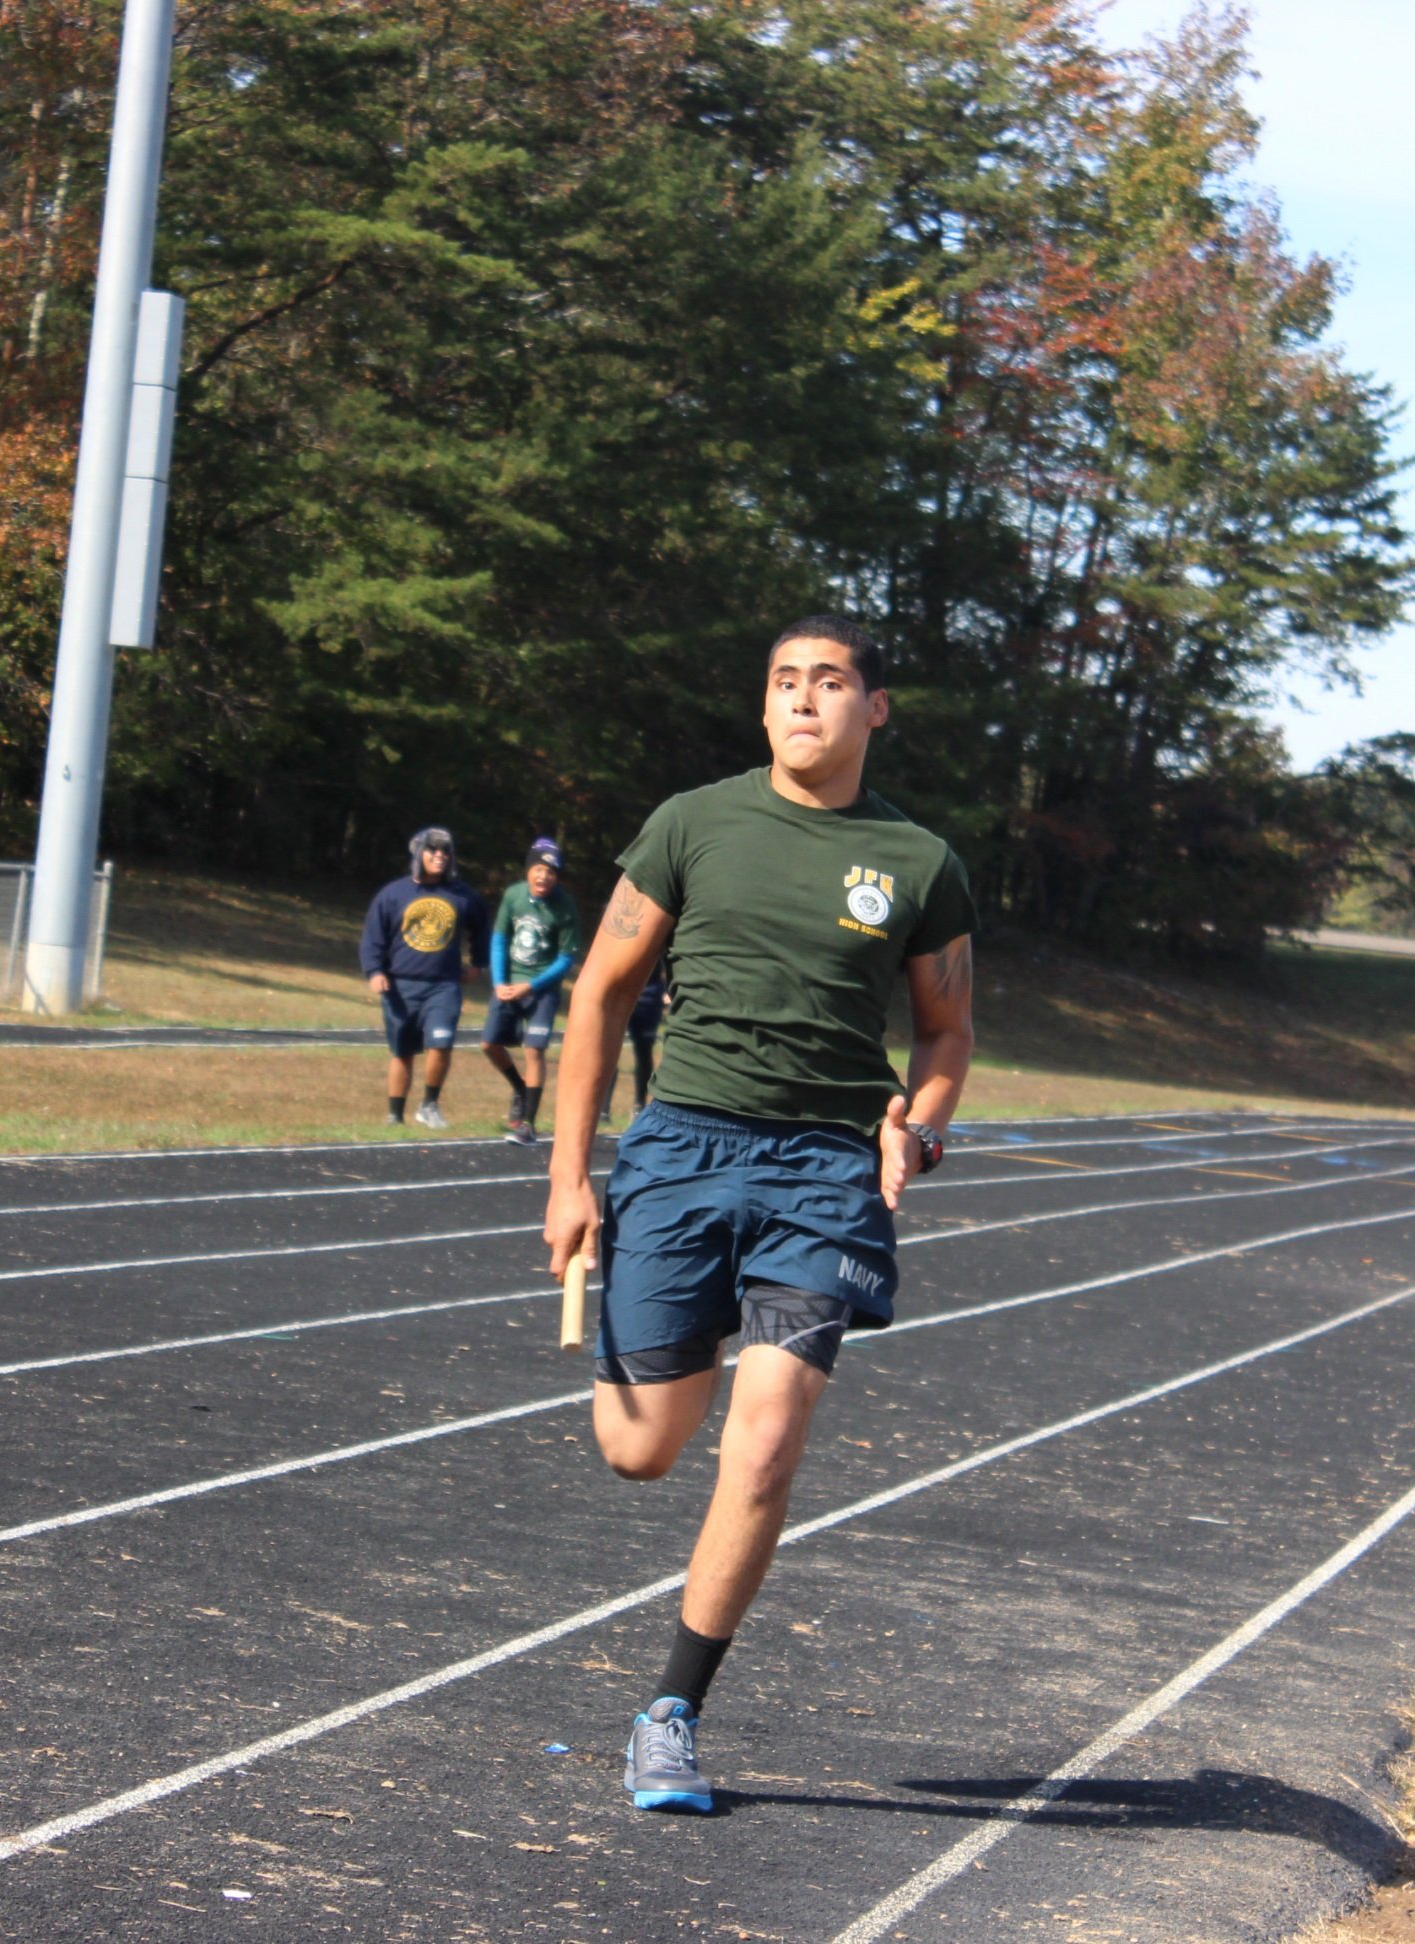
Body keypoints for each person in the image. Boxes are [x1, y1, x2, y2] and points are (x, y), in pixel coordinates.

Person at [541, 615, 977, 1815]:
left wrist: (922, 1123)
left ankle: (673, 1712)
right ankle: (690, 1315)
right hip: (682, 1147)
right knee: (640, 1450)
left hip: (828, 1170)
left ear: (873, 708)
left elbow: (944, 1031)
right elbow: (600, 995)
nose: (802, 702)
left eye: (829, 683)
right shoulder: (694, 823)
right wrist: (571, 1175)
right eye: (785, 682)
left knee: (771, 1437)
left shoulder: (920, 860)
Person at [357, 826, 486, 1130]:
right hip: (401, 986)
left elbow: (481, 928)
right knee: (402, 1052)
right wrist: (375, 972)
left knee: (440, 1044)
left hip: (443, 986)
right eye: (433, 850)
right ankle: (395, 1115)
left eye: (445, 851)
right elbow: (372, 938)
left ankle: (429, 1104)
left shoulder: (461, 895)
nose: (440, 856)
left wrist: (478, 963)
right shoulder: (393, 894)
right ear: (418, 854)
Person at [482, 837, 582, 1144]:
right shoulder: (513, 896)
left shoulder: (565, 907)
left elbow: (566, 957)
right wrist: (500, 982)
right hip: (510, 983)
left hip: (542, 990)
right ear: (528, 870)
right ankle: (520, 1087)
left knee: (534, 1050)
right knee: (489, 1044)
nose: (544, 876)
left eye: (551, 872)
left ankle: (528, 1123)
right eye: (539, 869)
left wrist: (532, 986)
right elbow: (499, 940)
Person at [602, 960, 669, 1127]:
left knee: (644, 1050)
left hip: (649, 993)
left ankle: (639, 1104)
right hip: (619, 989)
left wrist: (668, 990)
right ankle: (603, 1108)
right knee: (609, 1050)